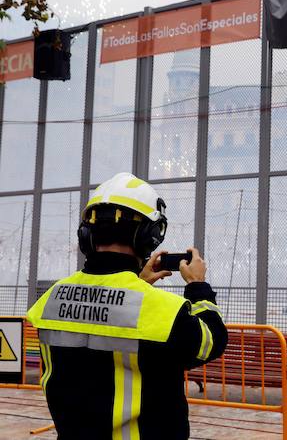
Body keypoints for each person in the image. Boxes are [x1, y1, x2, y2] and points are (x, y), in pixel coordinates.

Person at [26, 172, 228, 440]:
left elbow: (96, 334)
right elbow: (211, 341)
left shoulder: (50, 299)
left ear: (86, 234)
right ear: (149, 237)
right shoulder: (163, 310)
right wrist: (197, 286)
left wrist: (137, 283)